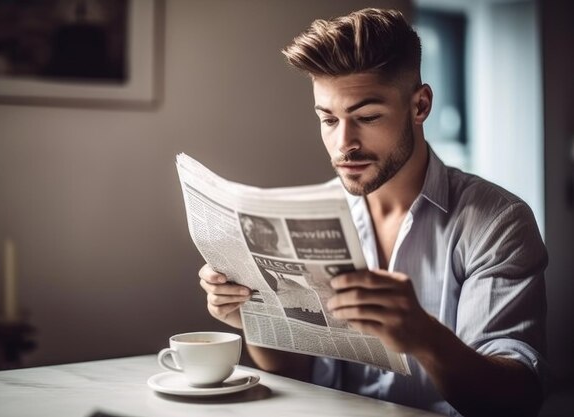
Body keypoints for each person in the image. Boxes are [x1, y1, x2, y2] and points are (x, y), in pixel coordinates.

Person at [198, 8, 547, 417]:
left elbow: (517, 400)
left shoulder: (498, 223)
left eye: (366, 117)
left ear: (420, 106)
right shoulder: (305, 214)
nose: (344, 143)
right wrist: (252, 317)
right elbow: (298, 371)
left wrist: (424, 337)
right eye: (328, 119)